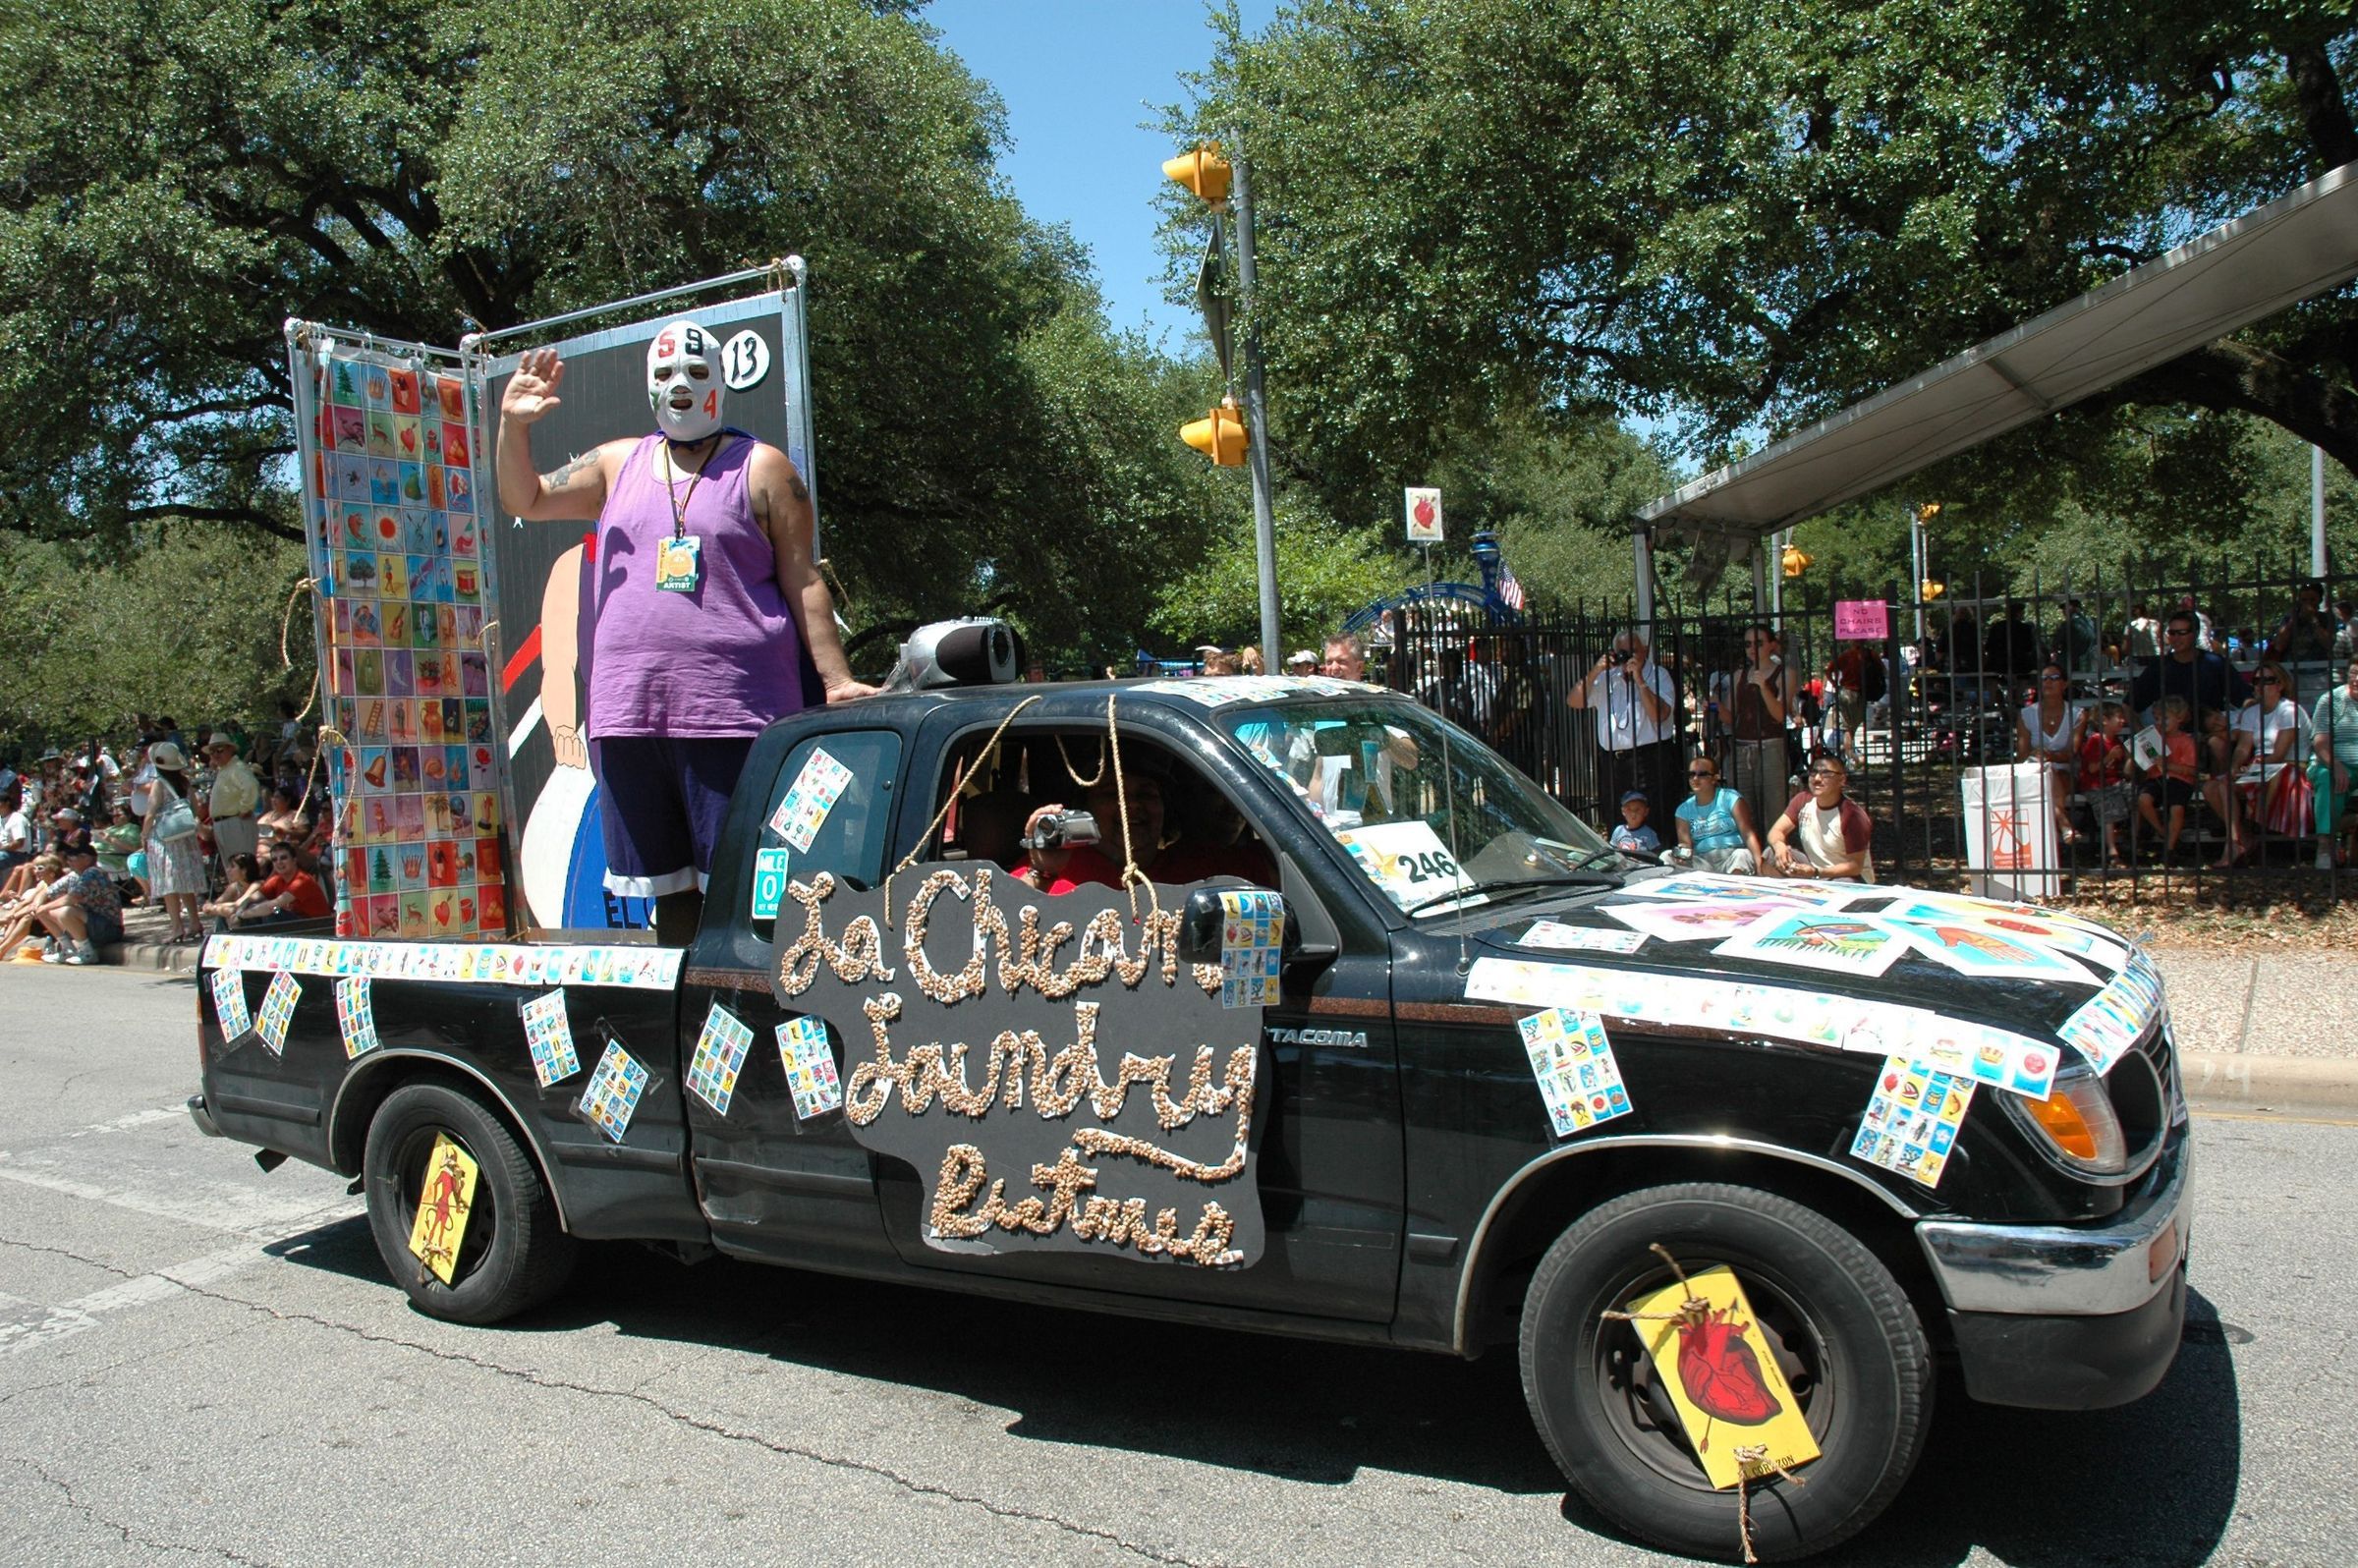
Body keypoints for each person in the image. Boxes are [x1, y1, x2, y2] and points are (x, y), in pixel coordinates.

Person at [496, 320, 875, 946]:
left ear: (720, 382)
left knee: (751, 893)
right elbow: (526, 500)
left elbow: (804, 579)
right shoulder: (616, 464)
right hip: (630, 718)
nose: (681, 385)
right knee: (669, 898)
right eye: (667, 373)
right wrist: (514, 426)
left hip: (736, 715)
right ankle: (692, 1007)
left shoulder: (763, 468)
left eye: (698, 373)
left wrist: (835, 681)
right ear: (649, 384)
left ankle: (758, 1002)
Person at [1017, 753, 1175, 894]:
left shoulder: (1186, 866)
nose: (1132, 804)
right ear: (1083, 807)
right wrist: (1043, 873)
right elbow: (1012, 914)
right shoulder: (1049, 866)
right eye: (1112, 793)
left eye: (1147, 794)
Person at [1567, 633, 1679, 822]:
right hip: (1614, 762)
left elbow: (1659, 715)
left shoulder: (1659, 675)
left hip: (1649, 759)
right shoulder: (1607, 677)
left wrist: (1639, 680)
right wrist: (1595, 671)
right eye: (1622, 652)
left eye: (1633, 651)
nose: (1628, 657)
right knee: (1617, 819)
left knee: (1655, 818)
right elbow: (1573, 701)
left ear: (1645, 650)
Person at [2128, 608, 2248, 776]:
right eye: (2172, 633)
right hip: (2167, 737)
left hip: (2206, 735)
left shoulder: (2215, 664)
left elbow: (2245, 699)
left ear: (2195, 633)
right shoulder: (2159, 667)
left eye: (2182, 633)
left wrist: (2236, 723)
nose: (2176, 638)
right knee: (2136, 757)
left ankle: (2218, 787)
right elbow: (2128, 706)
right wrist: (2147, 741)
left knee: (2218, 744)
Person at [2211, 661, 2310, 865]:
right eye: (2256, 681)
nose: (2260, 686)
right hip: (2258, 765)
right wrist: (2235, 767)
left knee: (2232, 785)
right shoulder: (2251, 713)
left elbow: (2280, 754)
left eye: (2267, 680)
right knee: (2212, 787)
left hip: (2287, 765)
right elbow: (2242, 748)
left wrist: (2252, 768)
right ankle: (2239, 839)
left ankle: (2240, 841)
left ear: (2280, 684)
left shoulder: (2290, 710)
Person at [140, 741, 205, 943]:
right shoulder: (185, 783)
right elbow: (195, 809)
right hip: (184, 837)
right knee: (185, 883)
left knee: (169, 884)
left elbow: (150, 813)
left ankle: (177, 927)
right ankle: (195, 922)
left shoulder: (159, 784)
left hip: (164, 838)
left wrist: (144, 835)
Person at [1767, 756, 1873, 881]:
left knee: (1844, 881)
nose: (1817, 779)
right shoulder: (1802, 800)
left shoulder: (1852, 815)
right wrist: (1779, 846)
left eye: (1826, 773)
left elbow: (1855, 866)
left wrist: (1816, 872)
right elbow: (1776, 831)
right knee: (1770, 853)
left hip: (1848, 878)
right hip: (1815, 872)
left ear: (1842, 780)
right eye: (1813, 772)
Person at [2017, 661, 2084, 847]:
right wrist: (2038, 755)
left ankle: (2051, 840)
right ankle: (2063, 823)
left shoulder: (2077, 714)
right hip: (2034, 772)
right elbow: (2021, 756)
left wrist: (2050, 756)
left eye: (2054, 678)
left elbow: (2072, 753)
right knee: (2044, 773)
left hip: (2065, 772)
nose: (2048, 682)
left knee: (2050, 775)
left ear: (2065, 684)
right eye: (2044, 678)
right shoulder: (2026, 714)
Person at [32, 837, 123, 965]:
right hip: (90, 925)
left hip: (109, 928)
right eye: (68, 859)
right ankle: (68, 950)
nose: (68, 862)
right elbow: (47, 891)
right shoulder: (74, 875)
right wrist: (37, 906)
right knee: (44, 912)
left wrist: (44, 907)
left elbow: (72, 898)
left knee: (66, 911)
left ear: (86, 858)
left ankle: (88, 953)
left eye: (72, 858)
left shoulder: (94, 873)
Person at [2133, 696, 2199, 863]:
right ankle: (2163, 831)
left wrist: (2167, 765)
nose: (2160, 722)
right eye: (2157, 718)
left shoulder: (2186, 741)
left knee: (2177, 808)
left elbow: (2191, 770)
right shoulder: (2152, 737)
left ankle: (2170, 848)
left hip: (2180, 781)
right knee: (2143, 799)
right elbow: (2147, 766)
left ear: (2179, 718)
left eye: (2165, 718)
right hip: (2156, 778)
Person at [1673, 755, 1762, 873]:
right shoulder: (1683, 810)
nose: (1695, 778)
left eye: (1702, 774)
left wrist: (1759, 865)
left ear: (1715, 778)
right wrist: (1681, 855)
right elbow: (1685, 845)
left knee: (1742, 855)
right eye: (1691, 774)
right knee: (1666, 857)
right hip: (1702, 862)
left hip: (1732, 856)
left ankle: (1735, 885)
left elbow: (1748, 834)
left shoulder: (1731, 798)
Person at [2075, 701, 2135, 868]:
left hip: (2113, 782)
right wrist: (2109, 757)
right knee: (2109, 803)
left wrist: (2130, 759)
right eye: (2119, 717)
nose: (2123, 721)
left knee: (2135, 796)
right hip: (2095, 785)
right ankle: (2112, 851)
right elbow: (2092, 769)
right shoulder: (2095, 741)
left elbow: (2125, 772)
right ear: (2104, 720)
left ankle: (2133, 839)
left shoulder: (2117, 741)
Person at [215, 844, 332, 929]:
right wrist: (238, 911)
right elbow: (251, 898)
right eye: (275, 859)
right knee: (226, 915)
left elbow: (272, 906)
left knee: (273, 911)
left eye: (284, 858)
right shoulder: (276, 880)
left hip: (316, 926)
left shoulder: (301, 880)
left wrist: (241, 915)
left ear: (294, 860)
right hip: (294, 923)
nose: (279, 862)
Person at [2312, 655, 2358, 868]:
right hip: (2336, 762)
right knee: (2328, 778)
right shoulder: (2331, 700)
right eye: (2353, 673)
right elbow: (2320, 742)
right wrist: (2336, 765)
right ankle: (2325, 845)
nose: (2356, 679)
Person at [203, 733, 262, 872]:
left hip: (235, 822)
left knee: (243, 868)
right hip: (224, 824)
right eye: (212, 752)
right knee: (233, 870)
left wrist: (245, 808)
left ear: (230, 749)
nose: (215, 754)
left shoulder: (237, 768)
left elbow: (251, 786)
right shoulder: (226, 769)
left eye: (220, 750)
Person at [2271, 580, 2336, 664]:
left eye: (2312, 600)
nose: (2308, 603)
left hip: (2318, 668)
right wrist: (2292, 622)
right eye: (2304, 600)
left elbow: (2329, 644)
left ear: (2320, 600)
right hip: (2291, 668)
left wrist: (2313, 620)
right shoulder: (2289, 618)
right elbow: (2279, 645)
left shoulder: (2326, 618)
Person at [1608, 791, 1660, 857]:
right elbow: (1612, 851)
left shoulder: (1649, 834)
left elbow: (1655, 855)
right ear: (1623, 811)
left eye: (1637, 809)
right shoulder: (1618, 831)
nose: (1633, 814)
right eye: (1629, 809)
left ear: (1646, 812)